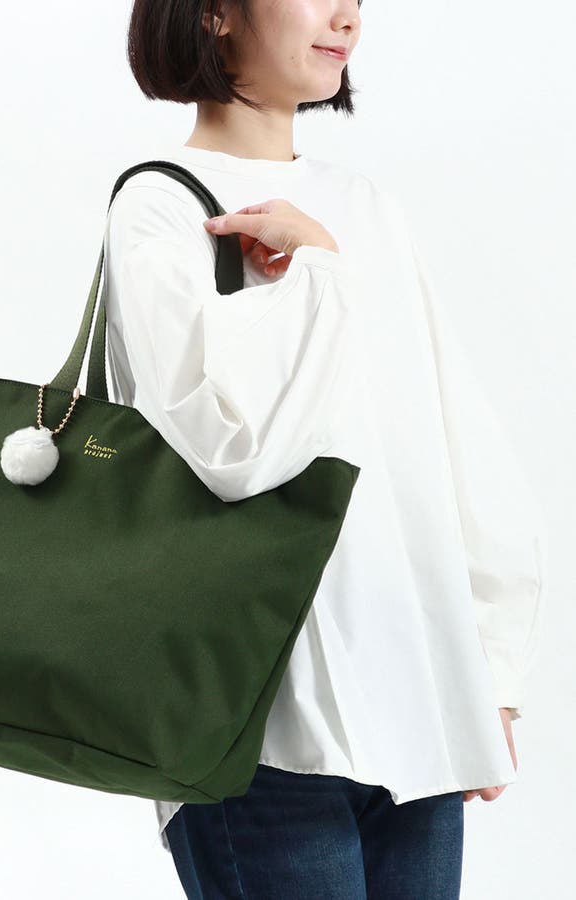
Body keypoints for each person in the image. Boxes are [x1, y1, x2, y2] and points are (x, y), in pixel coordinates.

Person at [102, 1, 548, 898]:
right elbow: (230, 447)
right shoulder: (158, 205)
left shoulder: (368, 206)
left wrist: (489, 674)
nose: (346, 16)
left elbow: (442, 439)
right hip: (256, 727)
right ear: (215, 13)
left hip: (415, 705)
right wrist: (316, 275)